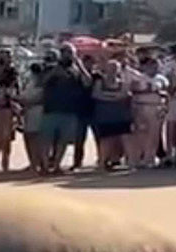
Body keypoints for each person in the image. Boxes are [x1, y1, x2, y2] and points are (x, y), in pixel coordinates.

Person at [40, 45, 92, 174]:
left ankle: (57, 165)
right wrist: (55, 71)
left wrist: (81, 66)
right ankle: (45, 166)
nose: (69, 55)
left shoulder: (76, 70)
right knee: (47, 139)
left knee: (63, 141)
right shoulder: (51, 67)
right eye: (67, 53)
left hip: (70, 110)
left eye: (72, 53)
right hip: (51, 110)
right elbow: (42, 82)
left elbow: (87, 82)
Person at [92, 60, 135, 170]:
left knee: (126, 138)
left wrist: (107, 96)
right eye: (110, 68)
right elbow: (96, 94)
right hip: (105, 116)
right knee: (106, 140)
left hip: (121, 115)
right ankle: (102, 163)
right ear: (106, 69)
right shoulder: (100, 82)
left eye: (115, 68)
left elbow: (123, 94)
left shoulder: (122, 83)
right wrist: (113, 97)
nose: (113, 71)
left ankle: (131, 162)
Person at [130, 57, 168, 168]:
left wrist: (165, 106)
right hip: (141, 107)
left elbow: (167, 92)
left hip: (156, 107)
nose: (153, 68)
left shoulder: (162, 79)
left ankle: (150, 158)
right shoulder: (139, 78)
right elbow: (133, 91)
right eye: (151, 65)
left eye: (155, 65)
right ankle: (138, 158)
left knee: (154, 135)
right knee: (141, 134)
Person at [19, 63, 45, 173]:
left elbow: (39, 99)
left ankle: (37, 163)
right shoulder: (30, 83)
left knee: (35, 138)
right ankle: (33, 163)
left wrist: (26, 102)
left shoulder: (42, 84)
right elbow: (24, 96)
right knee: (28, 138)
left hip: (37, 112)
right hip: (28, 113)